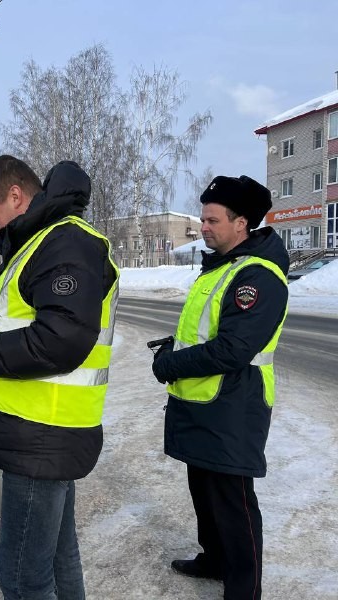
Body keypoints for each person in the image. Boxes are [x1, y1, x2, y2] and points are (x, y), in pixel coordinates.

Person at [0, 155, 119, 599]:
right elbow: (26, 326)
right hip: (44, 430)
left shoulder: (63, 244)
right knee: (57, 558)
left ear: (16, 195)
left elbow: (59, 341)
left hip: (40, 434)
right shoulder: (43, 243)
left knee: (21, 577)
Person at [151, 175, 289, 599]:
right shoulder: (222, 268)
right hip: (203, 402)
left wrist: (170, 364)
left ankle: (244, 588)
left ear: (241, 223)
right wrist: (174, 348)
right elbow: (204, 333)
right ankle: (214, 559)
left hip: (234, 406)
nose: (203, 228)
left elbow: (231, 349)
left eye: (212, 220)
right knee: (204, 491)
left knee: (234, 503)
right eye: (202, 219)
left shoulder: (256, 277)